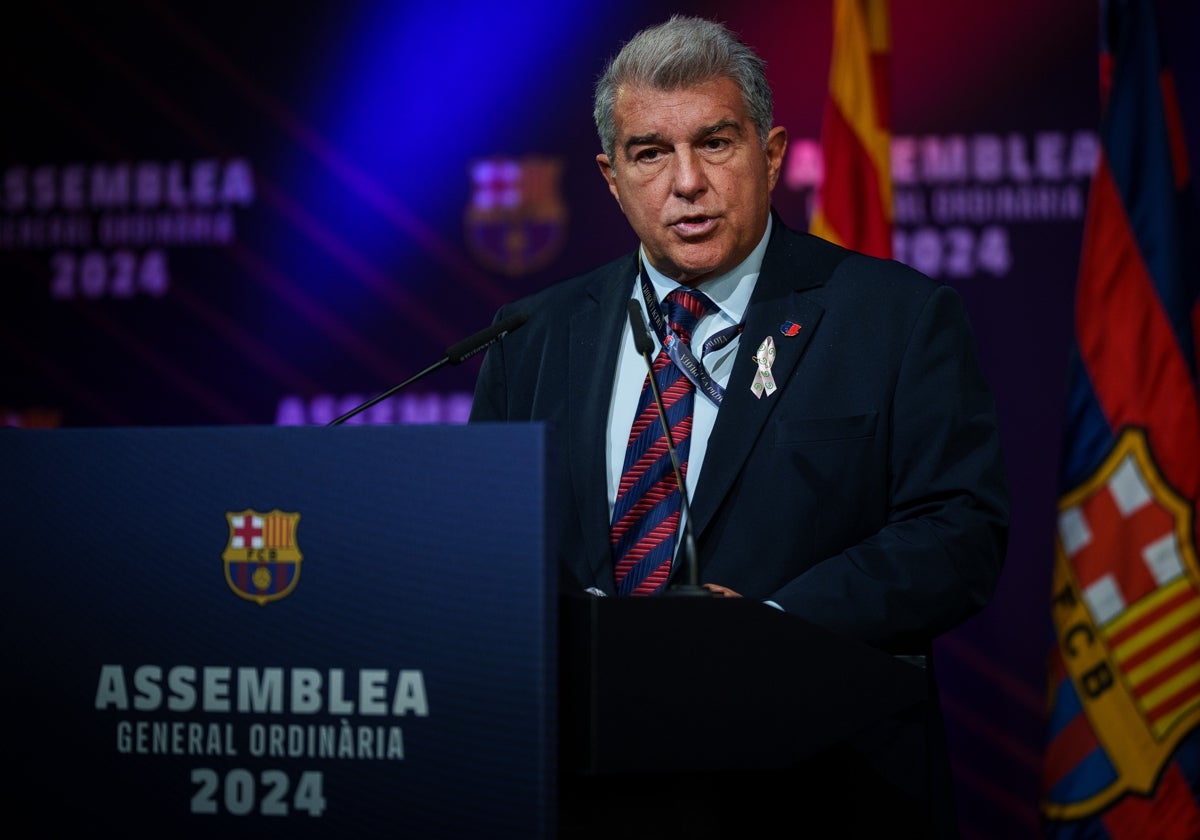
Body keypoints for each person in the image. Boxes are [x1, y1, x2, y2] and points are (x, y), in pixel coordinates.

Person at [469, 14, 1008, 839]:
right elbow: (489, 555)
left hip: (818, 788)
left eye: (715, 143)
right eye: (651, 153)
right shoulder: (532, 337)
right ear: (613, 178)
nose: (686, 182)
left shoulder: (894, 319)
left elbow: (959, 531)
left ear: (772, 152)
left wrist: (766, 630)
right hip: (583, 789)